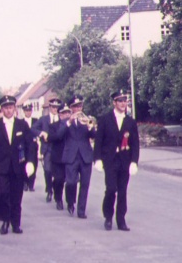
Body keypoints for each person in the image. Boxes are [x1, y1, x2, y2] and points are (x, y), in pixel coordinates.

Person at [0, 95, 36, 235]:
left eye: (11, 107)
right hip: (1, 167)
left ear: (14, 108)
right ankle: (5, 221)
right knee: (3, 194)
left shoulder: (22, 125)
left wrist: (30, 162)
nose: (8, 110)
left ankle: (16, 223)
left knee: (16, 196)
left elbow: (30, 145)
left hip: (17, 167)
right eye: (6, 108)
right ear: (2, 109)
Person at [93, 89, 140, 231]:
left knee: (122, 191)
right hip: (110, 160)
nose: (123, 103)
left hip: (124, 161)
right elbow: (98, 141)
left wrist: (134, 161)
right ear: (114, 103)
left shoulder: (130, 122)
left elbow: (135, 143)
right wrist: (97, 159)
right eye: (120, 101)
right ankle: (108, 217)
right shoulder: (105, 119)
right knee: (111, 189)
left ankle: (121, 220)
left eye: (125, 101)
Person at [56, 96, 96, 219]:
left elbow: (94, 135)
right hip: (71, 156)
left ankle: (81, 210)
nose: (78, 109)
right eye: (75, 107)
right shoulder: (65, 122)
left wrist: (90, 127)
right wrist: (69, 122)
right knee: (71, 182)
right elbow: (59, 135)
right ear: (71, 108)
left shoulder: (87, 120)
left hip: (85, 156)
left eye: (80, 106)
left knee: (85, 184)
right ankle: (70, 201)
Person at [32, 98, 62, 203]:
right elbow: (33, 128)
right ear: (49, 107)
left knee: (59, 174)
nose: (55, 109)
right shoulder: (43, 119)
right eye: (53, 107)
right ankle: (49, 190)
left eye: (57, 107)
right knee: (48, 170)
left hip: (58, 149)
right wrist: (41, 133)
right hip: (47, 148)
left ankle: (56, 190)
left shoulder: (61, 118)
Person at [20, 103, 39, 192]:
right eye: (26, 111)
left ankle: (31, 184)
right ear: (24, 112)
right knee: (23, 164)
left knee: (33, 164)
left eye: (29, 111)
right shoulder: (21, 122)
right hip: (23, 146)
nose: (28, 112)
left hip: (33, 146)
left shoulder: (36, 121)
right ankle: (25, 183)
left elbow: (38, 131)